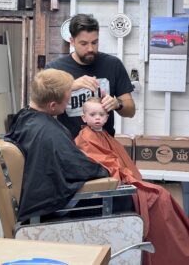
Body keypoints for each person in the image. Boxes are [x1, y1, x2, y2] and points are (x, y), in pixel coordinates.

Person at [75, 97, 189, 265]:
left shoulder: (104, 135)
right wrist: (125, 175)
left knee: (162, 195)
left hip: (123, 180)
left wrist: (126, 173)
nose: (97, 118)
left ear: (107, 117)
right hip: (113, 186)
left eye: (101, 114)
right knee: (160, 197)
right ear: (84, 117)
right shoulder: (85, 139)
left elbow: (117, 160)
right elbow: (105, 165)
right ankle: (173, 255)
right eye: (93, 114)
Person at [5, 69, 109, 223]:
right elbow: (78, 168)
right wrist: (104, 170)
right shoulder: (49, 132)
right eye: (67, 101)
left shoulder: (24, 116)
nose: (68, 103)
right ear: (53, 105)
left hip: (31, 198)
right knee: (129, 198)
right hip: (50, 211)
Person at [45, 13, 135, 138]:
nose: (90, 49)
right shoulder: (55, 69)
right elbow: (42, 110)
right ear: (72, 41)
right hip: (68, 147)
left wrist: (117, 104)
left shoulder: (113, 65)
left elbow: (130, 111)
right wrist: (69, 86)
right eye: (84, 43)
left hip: (103, 148)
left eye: (94, 42)